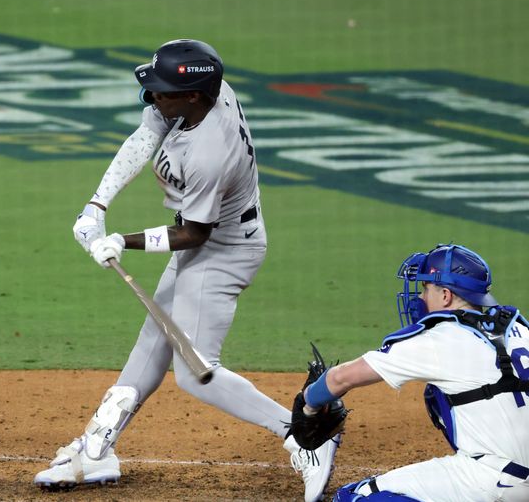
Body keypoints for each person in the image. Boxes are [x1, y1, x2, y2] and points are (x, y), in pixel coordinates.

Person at [33, 39, 339, 501]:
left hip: (225, 248)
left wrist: (122, 240)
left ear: (195, 94)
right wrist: (97, 206)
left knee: (196, 371)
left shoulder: (211, 151)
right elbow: (145, 137)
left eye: (163, 90)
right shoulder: (194, 96)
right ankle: (97, 449)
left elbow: (195, 232)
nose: (153, 96)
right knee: (154, 340)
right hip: (206, 238)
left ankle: (305, 435)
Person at [297, 243, 529, 502]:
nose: (419, 298)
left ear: (445, 295)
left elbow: (341, 378)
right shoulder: (520, 330)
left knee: (354, 497)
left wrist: (308, 402)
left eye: (425, 288)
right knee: (440, 393)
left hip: (493, 481)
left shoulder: (439, 339)